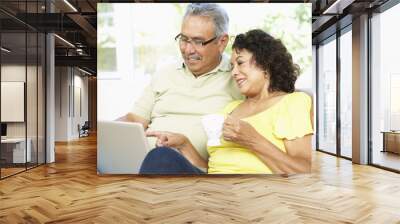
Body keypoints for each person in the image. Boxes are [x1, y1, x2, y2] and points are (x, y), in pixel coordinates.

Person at [141, 29, 313, 174]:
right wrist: (184, 144)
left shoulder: (292, 102)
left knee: (160, 158)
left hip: (255, 192)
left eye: (240, 63)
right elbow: (210, 169)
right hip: (213, 189)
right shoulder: (231, 108)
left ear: (266, 65)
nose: (234, 73)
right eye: (232, 67)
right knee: (161, 155)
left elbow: (303, 170)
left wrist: (252, 140)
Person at [117, 3, 242, 172]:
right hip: (143, 165)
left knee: (162, 156)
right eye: (184, 39)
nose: (188, 50)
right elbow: (134, 120)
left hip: (195, 172)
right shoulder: (165, 73)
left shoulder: (238, 76)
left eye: (198, 41)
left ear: (222, 42)